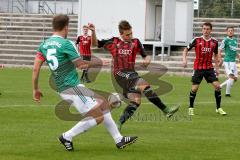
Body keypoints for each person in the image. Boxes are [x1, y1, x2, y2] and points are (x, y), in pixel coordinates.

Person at [32, 15, 137, 151]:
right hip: (72, 88)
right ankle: (67, 136)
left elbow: (35, 69)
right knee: (98, 116)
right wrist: (99, 62)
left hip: (64, 88)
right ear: (66, 27)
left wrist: (35, 89)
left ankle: (119, 139)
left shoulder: (43, 45)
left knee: (103, 105)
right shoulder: (66, 44)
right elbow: (81, 65)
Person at [91, 20, 179, 130]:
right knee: (144, 84)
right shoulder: (114, 41)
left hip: (131, 74)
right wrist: (93, 32)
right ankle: (166, 110)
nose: (130, 36)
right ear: (121, 34)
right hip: (119, 74)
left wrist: (147, 60)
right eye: (127, 34)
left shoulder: (136, 42)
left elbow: (145, 56)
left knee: (136, 101)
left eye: (131, 33)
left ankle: (118, 124)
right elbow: (95, 44)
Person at [182, 22, 227, 116]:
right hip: (198, 68)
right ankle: (191, 108)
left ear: (211, 30)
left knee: (218, 87)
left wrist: (217, 68)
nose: (205, 31)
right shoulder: (197, 40)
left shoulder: (214, 42)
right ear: (202, 30)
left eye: (207, 29)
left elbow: (215, 55)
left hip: (209, 68)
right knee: (194, 89)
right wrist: (184, 60)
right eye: (204, 29)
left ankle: (218, 108)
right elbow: (185, 50)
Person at [219, 26, 240, 97]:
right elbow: (220, 49)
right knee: (231, 77)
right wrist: (220, 59)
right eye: (229, 30)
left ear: (233, 32)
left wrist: (238, 56)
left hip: (233, 62)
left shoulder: (235, 40)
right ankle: (227, 93)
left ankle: (219, 87)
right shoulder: (225, 40)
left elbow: (234, 50)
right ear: (227, 32)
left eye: (232, 30)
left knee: (235, 78)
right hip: (227, 61)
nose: (230, 32)